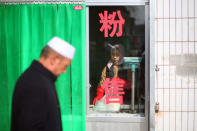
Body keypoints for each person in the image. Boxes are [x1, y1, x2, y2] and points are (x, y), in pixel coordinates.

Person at [11, 36, 75, 131]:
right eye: (65, 66)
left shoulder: (41, 79)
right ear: (54, 59)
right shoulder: (34, 84)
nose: (64, 71)